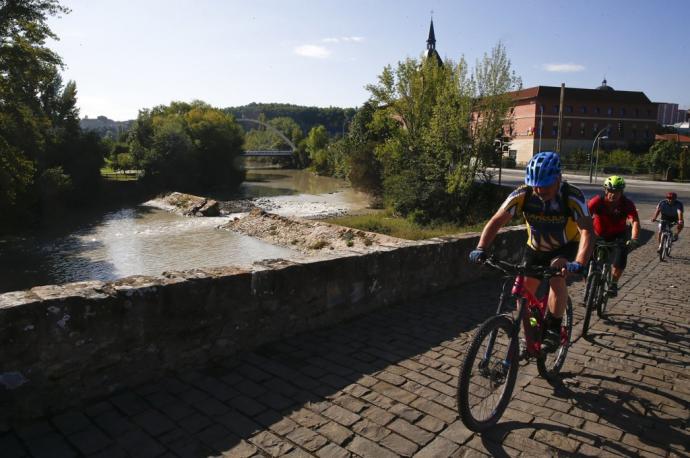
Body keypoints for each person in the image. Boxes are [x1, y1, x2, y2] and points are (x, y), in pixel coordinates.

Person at [468, 151, 594, 352]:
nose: (539, 189)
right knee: (522, 293)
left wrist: (578, 262)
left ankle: (553, 328)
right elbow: (496, 221)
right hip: (535, 248)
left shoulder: (572, 196)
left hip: (565, 247)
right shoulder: (523, 194)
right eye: (535, 184)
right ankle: (530, 341)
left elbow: (587, 231)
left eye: (545, 185)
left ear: (558, 179)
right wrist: (481, 247)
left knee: (556, 275)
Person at [587, 176, 640, 297]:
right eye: (610, 191)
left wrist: (634, 238)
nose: (613, 194)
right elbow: (585, 217)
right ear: (605, 190)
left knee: (621, 255)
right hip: (598, 234)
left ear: (621, 192)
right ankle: (589, 285)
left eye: (617, 191)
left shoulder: (627, 204)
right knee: (586, 258)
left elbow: (635, 221)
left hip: (618, 235)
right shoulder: (597, 201)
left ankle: (613, 283)